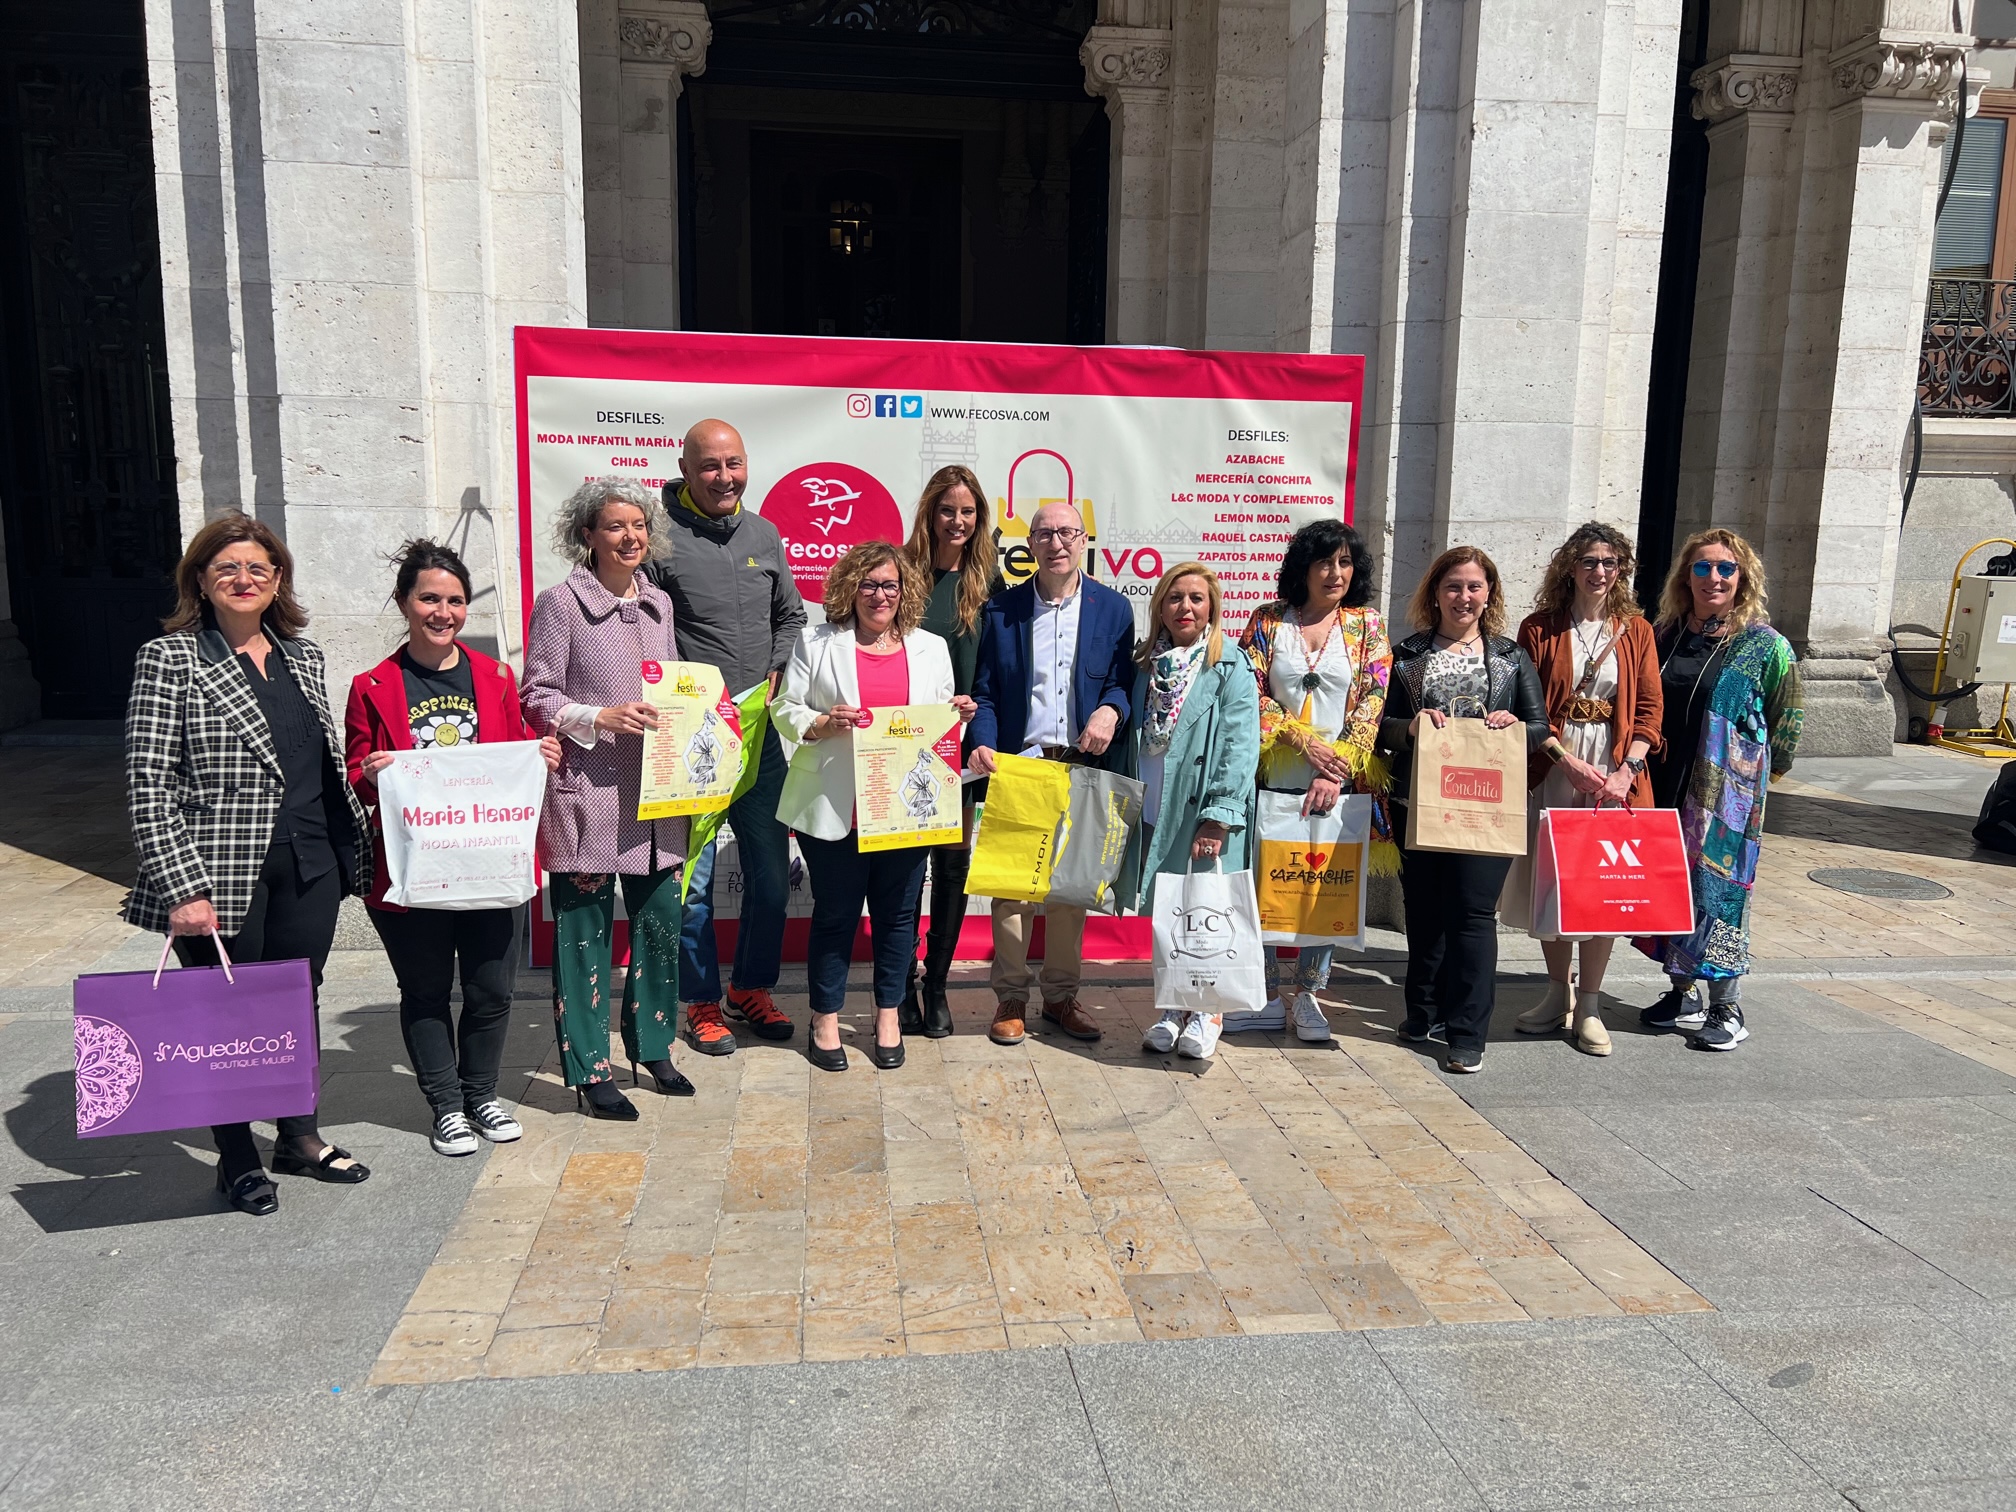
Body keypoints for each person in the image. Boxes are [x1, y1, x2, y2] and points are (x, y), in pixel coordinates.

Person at [124, 513, 375, 1215]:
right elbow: (148, 783)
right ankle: (236, 1159)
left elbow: (314, 762)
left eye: (258, 569)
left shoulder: (303, 656)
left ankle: (298, 1137)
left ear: (277, 581)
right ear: (201, 581)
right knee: (222, 1015)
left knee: (294, 1001)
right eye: (227, 568)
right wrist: (181, 887)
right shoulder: (169, 658)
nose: (243, 579)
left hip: (311, 861)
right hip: (220, 874)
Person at [345, 540, 564, 1156]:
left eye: (456, 601)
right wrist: (373, 772)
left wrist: (540, 752)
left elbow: (518, 747)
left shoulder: (494, 676)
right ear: (405, 603)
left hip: (488, 863)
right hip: (412, 871)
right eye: (430, 599)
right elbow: (355, 771)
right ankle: (446, 1105)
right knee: (425, 993)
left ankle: (482, 1094)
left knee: (493, 991)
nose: (443, 612)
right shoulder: (372, 685)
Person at [521, 477, 694, 1120]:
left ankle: (653, 1046)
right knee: (584, 935)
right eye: (615, 526)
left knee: (658, 926)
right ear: (587, 535)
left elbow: (671, 687)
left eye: (639, 526)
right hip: (589, 794)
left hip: (657, 799)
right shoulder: (560, 604)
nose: (631, 537)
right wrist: (599, 716)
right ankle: (591, 1069)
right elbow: (535, 695)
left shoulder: (659, 605)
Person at [773, 543, 965, 1072]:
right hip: (835, 804)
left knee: (898, 917)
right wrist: (821, 723)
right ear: (849, 589)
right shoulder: (815, 642)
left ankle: (888, 1015)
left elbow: (939, 726)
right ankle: (825, 1019)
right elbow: (784, 708)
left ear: (904, 592)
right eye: (869, 584)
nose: (880, 595)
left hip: (905, 808)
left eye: (890, 585)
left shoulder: (931, 647)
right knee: (835, 916)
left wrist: (959, 715)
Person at [648, 419, 805, 1056]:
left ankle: (751, 988)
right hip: (693, 741)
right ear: (686, 470)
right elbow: (644, 634)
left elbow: (790, 614)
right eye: (710, 466)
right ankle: (702, 1002)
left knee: (771, 877)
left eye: (734, 464)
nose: (724, 478)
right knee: (695, 883)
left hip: (761, 735)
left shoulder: (764, 532)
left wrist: (774, 668)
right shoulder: (657, 539)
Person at [968, 500, 1136, 1047]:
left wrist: (1110, 710)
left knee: (1071, 891)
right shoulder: (1003, 610)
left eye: (1067, 532)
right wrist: (984, 744)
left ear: (1084, 539)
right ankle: (1011, 997)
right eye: (1044, 534)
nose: (1056, 542)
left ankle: (1061, 997)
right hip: (1022, 764)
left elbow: (1120, 681)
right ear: (1030, 544)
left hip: (1084, 767)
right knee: (1013, 891)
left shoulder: (1114, 609)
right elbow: (987, 691)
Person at [1377, 546, 1550, 1075]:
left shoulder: (1509, 655)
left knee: (1473, 917)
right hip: (1419, 801)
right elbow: (1379, 727)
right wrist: (1408, 728)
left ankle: (1467, 1032)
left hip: (1486, 806)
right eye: (1453, 586)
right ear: (1435, 593)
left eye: (1475, 587)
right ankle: (1421, 1012)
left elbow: (1541, 727)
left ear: (1489, 594)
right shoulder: (1405, 654)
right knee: (1425, 914)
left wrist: (1511, 725)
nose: (1464, 597)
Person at [1638, 529, 1803, 1050]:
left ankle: (1727, 1005)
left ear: (1743, 578)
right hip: (1665, 784)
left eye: (1725, 569)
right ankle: (1682, 989)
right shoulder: (1661, 635)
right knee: (1672, 887)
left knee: (1723, 894)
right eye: (1703, 567)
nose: (1714, 577)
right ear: (1686, 577)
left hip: (1727, 797)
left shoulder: (1764, 644)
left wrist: (1755, 782)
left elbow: (1788, 718)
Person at [1502, 523, 1663, 1057]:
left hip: (1615, 774)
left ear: (1622, 571)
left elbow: (1648, 712)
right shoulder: (1540, 629)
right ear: (1569, 566)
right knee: (1555, 883)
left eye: (1611, 563)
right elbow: (1526, 709)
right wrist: (1563, 760)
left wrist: (1626, 774)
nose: (1600, 572)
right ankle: (1556, 993)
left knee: (1604, 888)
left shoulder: (1635, 630)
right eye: (1590, 561)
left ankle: (1590, 1004)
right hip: (1557, 766)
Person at [1237, 518, 1393, 1042]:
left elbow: (1373, 700)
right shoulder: (1266, 621)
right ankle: (1260, 992)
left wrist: (1338, 769)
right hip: (1273, 775)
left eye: (1345, 562)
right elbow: (1249, 695)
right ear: (1302, 567)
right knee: (1267, 883)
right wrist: (1303, 743)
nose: (1335, 572)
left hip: (1340, 782)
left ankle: (1307, 995)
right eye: (1325, 561)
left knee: (1326, 886)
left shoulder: (1367, 625)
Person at [1120, 564, 1259, 1060]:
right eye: (1175, 598)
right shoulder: (1144, 665)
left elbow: (1240, 744)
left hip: (1200, 807)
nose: (1186, 608)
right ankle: (1174, 1004)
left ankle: (1209, 1012)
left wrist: (1219, 814)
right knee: (1170, 908)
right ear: (1160, 606)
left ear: (1212, 609)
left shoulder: (1229, 665)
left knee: (1207, 909)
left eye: (1197, 599)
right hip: (1155, 802)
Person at [899, 464, 994, 1037]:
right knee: (909, 867)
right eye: (947, 510)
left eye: (968, 511)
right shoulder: (903, 574)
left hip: (965, 746)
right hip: (910, 744)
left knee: (953, 866)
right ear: (929, 513)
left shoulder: (991, 582)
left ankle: (937, 986)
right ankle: (901, 983)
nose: (957, 521)